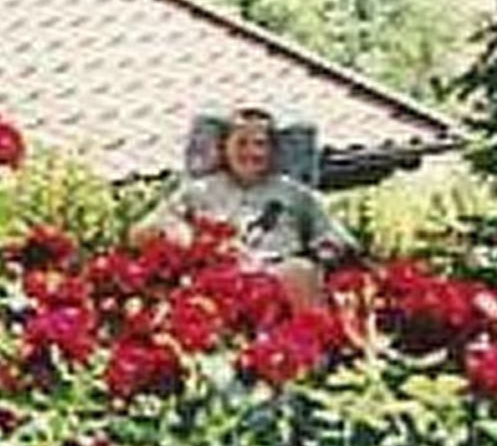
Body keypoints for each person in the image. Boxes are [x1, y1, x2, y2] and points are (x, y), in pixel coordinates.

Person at [140, 106, 356, 309]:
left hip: (277, 274)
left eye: (260, 144)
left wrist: (326, 250)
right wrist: (176, 230)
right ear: (225, 149)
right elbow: (146, 229)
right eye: (241, 143)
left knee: (301, 272)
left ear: (272, 151)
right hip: (215, 276)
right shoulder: (198, 190)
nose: (251, 152)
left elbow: (336, 237)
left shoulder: (294, 193)